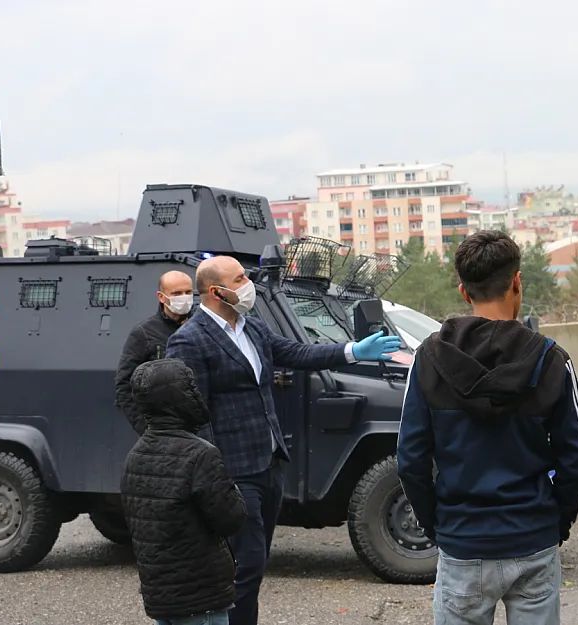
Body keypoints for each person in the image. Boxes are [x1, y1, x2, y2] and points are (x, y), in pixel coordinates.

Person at [165, 254, 401, 625]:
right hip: (231, 469)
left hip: (268, 462)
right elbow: (194, 413)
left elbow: (296, 352)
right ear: (215, 291)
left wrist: (352, 351)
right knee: (246, 562)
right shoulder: (189, 340)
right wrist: (210, 475)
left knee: (253, 562)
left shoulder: (251, 327)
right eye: (240, 278)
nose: (248, 285)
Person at [396, 230, 578, 625]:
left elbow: (411, 460)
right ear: (517, 281)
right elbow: (577, 459)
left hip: (462, 541)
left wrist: (441, 527)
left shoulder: (429, 359)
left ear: (464, 291)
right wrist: (556, 523)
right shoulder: (552, 361)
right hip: (532, 538)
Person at [120, 358, 248, 625]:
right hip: (201, 598)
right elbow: (231, 519)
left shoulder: (134, 456)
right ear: (181, 398)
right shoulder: (201, 454)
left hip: (161, 598)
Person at [115, 270, 196, 436]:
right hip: (167, 429)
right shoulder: (144, 333)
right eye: (176, 293)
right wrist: (147, 429)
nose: (184, 297)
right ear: (161, 297)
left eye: (188, 292)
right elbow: (124, 386)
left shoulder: (202, 326)